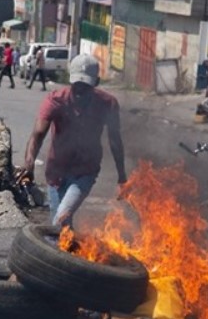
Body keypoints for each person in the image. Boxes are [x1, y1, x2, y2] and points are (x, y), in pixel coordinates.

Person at [16, 54, 126, 227]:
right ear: (70, 80)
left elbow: (115, 141)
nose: (80, 92)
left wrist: (122, 178)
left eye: (85, 87)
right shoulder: (55, 101)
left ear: (96, 83)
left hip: (84, 171)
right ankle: (65, 251)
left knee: (61, 218)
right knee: (60, 226)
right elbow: (37, 135)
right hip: (56, 173)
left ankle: (59, 250)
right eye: (77, 86)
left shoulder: (107, 104)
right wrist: (29, 167)